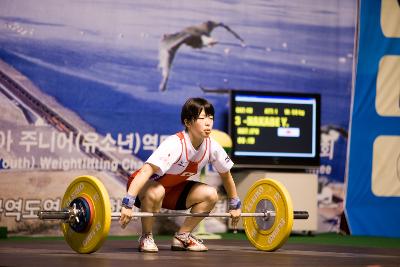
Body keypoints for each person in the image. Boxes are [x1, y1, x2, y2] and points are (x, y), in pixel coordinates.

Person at [119, 97, 241, 252]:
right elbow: (145, 171)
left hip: (173, 190)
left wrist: (234, 204)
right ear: (188, 122)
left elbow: (226, 176)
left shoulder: (213, 147)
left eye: (210, 118)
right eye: (202, 118)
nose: (208, 122)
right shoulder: (175, 144)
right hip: (142, 186)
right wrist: (127, 203)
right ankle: (146, 236)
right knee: (157, 191)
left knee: (211, 194)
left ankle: (182, 236)